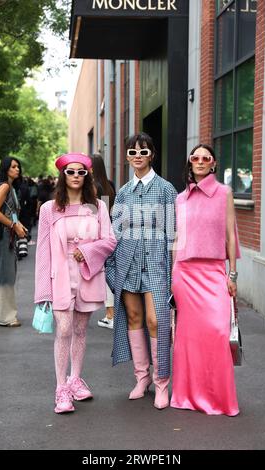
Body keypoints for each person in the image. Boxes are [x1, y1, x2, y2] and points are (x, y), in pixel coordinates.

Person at [34, 153, 117, 414]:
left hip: (87, 274)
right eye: (71, 172)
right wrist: (43, 291)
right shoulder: (49, 209)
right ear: (63, 175)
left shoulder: (97, 207)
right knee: (64, 329)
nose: (76, 176)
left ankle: (75, 379)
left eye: (81, 172)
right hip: (59, 275)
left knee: (81, 330)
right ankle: (61, 389)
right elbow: (43, 253)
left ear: (87, 175)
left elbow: (110, 240)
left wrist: (89, 251)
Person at [106, 132, 177, 409]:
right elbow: (114, 232)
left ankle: (162, 382)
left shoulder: (166, 189)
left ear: (152, 155)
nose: (138, 156)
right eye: (133, 152)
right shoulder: (122, 192)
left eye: (143, 152)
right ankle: (141, 377)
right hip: (127, 260)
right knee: (133, 316)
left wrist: (174, 272)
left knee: (156, 320)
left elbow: (173, 236)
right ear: (126, 156)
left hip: (156, 262)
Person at [171, 143, 240, 416]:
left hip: (213, 273)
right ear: (191, 162)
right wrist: (172, 275)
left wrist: (232, 274)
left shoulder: (225, 193)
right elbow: (177, 238)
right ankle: (187, 395)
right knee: (188, 340)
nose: (200, 161)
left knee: (218, 333)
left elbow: (230, 236)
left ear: (213, 164)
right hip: (184, 274)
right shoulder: (180, 199)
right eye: (195, 157)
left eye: (205, 158)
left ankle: (219, 400)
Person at [0, 157, 28, 327]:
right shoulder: (4, 186)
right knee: (7, 274)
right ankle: (6, 317)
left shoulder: (8, 186)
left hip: (6, 235)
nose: (17, 169)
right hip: (3, 236)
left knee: (6, 272)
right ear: (6, 169)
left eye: (18, 166)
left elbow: (10, 211)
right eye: (13, 166)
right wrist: (13, 225)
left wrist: (18, 224)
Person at [91, 153, 116, 329]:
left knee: (104, 274)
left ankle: (110, 315)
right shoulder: (110, 185)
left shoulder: (94, 187)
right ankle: (112, 314)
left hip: (99, 232)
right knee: (109, 271)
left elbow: (95, 212)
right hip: (111, 229)